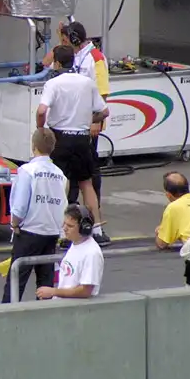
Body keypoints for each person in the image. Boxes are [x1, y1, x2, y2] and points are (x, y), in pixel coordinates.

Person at [36, 45, 111, 247]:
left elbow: (42, 110)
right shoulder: (87, 83)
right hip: (81, 137)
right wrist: (88, 118)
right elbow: (104, 112)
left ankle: (63, 232)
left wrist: (40, 129)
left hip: (60, 137)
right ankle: (97, 230)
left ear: (57, 63)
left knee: (61, 183)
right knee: (86, 183)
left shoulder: (53, 83)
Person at [58, 21, 111, 242]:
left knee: (89, 176)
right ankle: (72, 218)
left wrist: (94, 122)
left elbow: (103, 92)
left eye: (64, 39)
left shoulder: (96, 58)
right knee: (74, 176)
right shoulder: (77, 55)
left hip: (89, 125)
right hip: (77, 126)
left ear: (74, 39)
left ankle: (92, 218)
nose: (63, 43)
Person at [2, 128, 68, 303]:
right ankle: (44, 318)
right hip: (51, 233)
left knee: (16, 282)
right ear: (52, 147)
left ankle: (7, 318)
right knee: (45, 283)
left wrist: (15, 224)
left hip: (29, 232)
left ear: (33, 147)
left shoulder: (27, 171)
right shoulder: (61, 175)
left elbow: (20, 206)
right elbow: (63, 205)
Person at [36, 204, 104, 300]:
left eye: (70, 226)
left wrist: (53, 292)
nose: (64, 228)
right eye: (64, 224)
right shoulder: (76, 244)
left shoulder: (91, 253)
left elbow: (85, 291)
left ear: (84, 228)